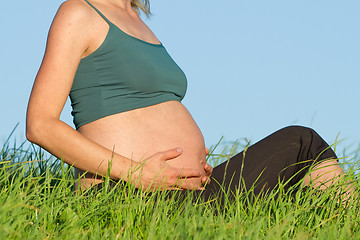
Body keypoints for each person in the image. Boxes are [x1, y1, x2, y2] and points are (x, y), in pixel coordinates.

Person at [26, 0, 352, 202]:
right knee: (301, 141)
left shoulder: (137, 20)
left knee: (303, 143)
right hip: (123, 195)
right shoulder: (79, 12)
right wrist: (136, 173)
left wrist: (191, 163)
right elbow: (40, 125)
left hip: (184, 194)